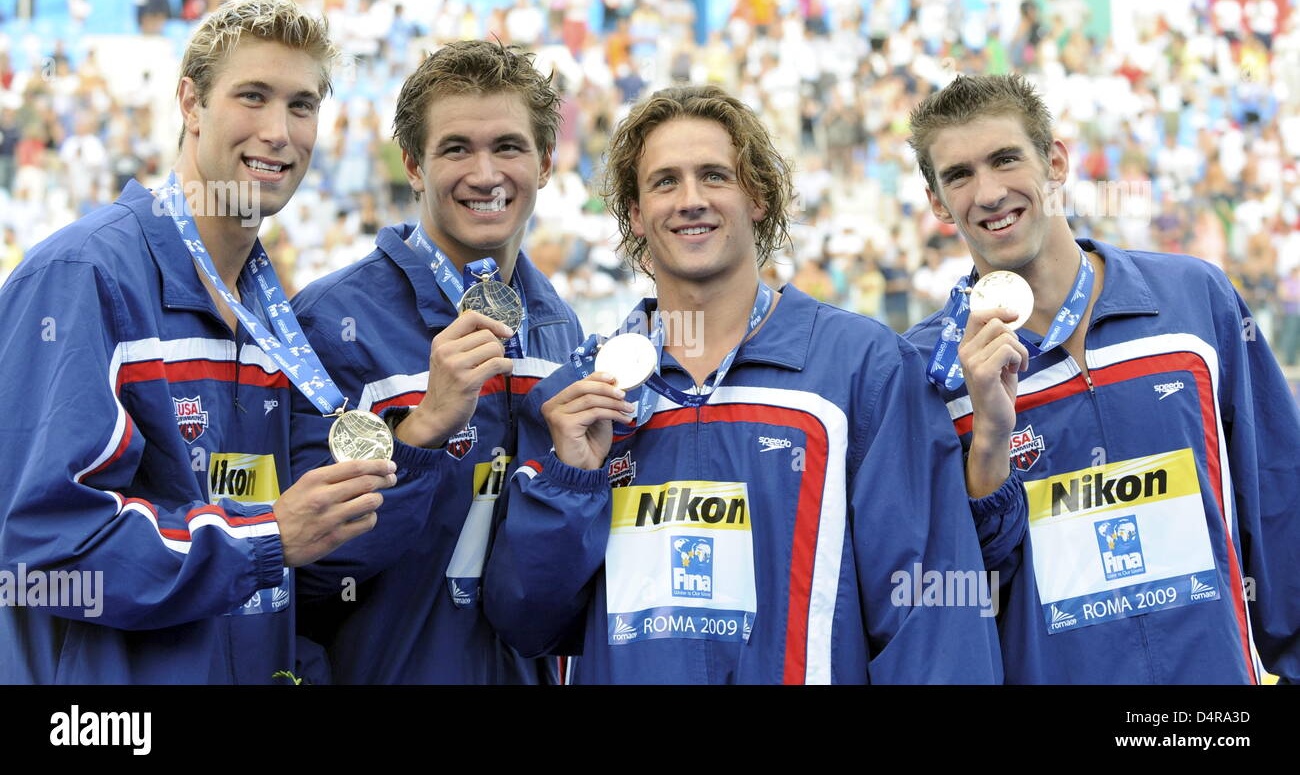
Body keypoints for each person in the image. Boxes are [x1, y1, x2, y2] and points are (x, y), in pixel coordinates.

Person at [483, 85, 1001, 684]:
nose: (691, 200)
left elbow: (930, 618)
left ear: (756, 196)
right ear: (634, 213)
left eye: (714, 176)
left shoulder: (863, 368)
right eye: (665, 182)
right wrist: (570, 481)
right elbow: (527, 624)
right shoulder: (582, 394)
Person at [0, 0, 396, 684]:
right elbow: (42, 556)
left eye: (301, 106)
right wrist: (267, 537)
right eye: (253, 96)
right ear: (191, 103)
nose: (278, 131)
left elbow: (304, 554)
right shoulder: (83, 277)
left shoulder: (273, 315)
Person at [904, 73, 1300, 684]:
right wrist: (988, 440)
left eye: (1006, 159)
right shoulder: (928, 370)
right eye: (958, 175)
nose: (988, 192)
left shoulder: (1192, 301)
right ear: (937, 201)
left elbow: (1278, 498)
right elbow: (952, 597)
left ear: (1055, 162)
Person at [288, 40, 583, 684]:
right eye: (456, 149)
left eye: (508, 147)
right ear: (414, 166)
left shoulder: (559, 324)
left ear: (548, 162)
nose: (484, 174)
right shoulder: (329, 323)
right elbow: (305, 574)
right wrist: (421, 435)